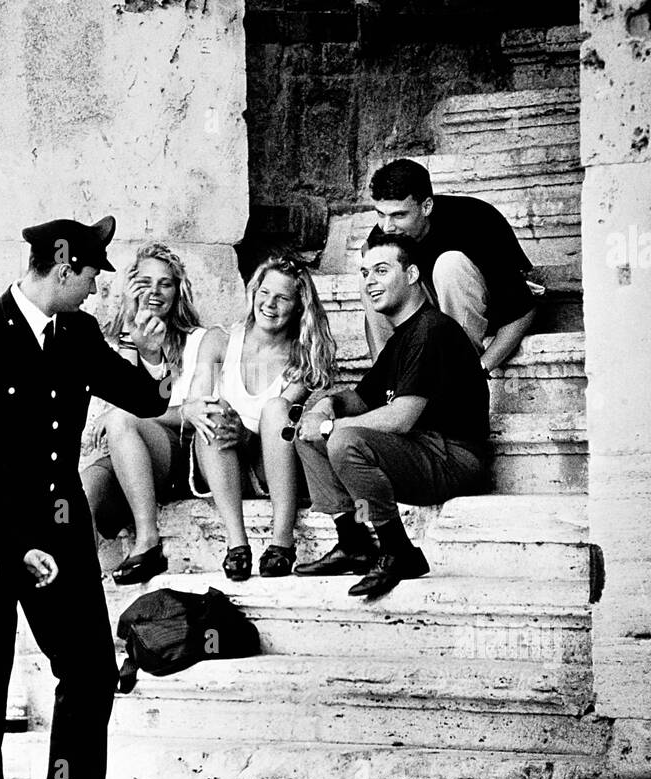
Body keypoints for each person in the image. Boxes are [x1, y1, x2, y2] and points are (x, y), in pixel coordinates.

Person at [0, 215, 169, 779]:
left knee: (91, 671)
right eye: (91, 275)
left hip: (60, 528)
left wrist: (148, 353)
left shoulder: (79, 335)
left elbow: (142, 397)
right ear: (65, 268)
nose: (95, 287)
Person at [293, 234, 490, 599]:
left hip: (455, 456)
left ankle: (399, 550)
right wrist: (325, 407)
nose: (370, 282)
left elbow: (401, 418)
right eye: (366, 272)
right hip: (421, 451)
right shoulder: (402, 337)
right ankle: (354, 541)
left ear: (412, 273)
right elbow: (359, 398)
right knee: (303, 431)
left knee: (344, 439)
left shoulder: (431, 330)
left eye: (382, 271)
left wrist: (330, 426)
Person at [182, 254, 336, 580]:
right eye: (264, 293)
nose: (270, 304)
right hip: (223, 464)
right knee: (213, 408)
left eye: (282, 298)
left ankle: (282, 542)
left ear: (298, 306)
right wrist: (191, 408)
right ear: (254, 292)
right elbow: (196, 398)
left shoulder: (302, 358)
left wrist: (246, 436)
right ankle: (238, 545)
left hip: (273, 467)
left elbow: (282, 423)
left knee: (276, 408)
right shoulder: (219, 341)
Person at [81, 241, 212, 585]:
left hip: (175, 454)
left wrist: (120, 417)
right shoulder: (109, 342)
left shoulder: (197, 341)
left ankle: (148, 540)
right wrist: (130, 333)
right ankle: (80, 583)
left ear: (178, 290)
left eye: (165, 283)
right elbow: (119, 395)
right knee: (83, 493)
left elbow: (195, 412)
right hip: (120, 453)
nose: (155, 292)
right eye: (145, 282)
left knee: (122, 419)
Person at [363, 158, 538, 372]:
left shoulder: (476, 221)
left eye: (399, 215)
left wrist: (478, 369)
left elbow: (522, 312)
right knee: (372, 270)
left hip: (486, 314)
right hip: (431, 321)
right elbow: (376, 312)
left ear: (426, 206)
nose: (387, 227)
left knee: (449, 264)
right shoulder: (383, 234)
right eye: (381, 214)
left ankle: (456, 367)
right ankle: (390, 375)